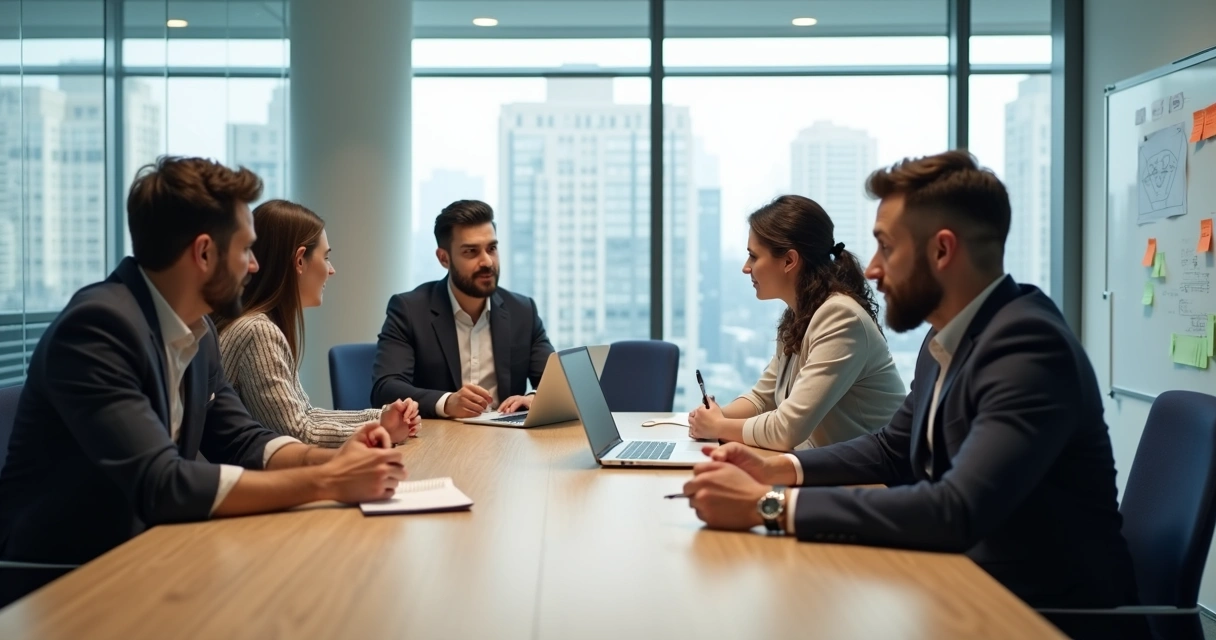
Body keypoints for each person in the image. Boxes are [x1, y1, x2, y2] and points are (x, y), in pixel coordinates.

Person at [681, 151, 1142, 637]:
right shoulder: (945, 338)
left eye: (886, 248)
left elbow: (955, 509)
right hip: (963, 586)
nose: (873, 269)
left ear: (942, 251)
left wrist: (768, 505)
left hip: (1036, 615)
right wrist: (780, 468)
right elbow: (890, 448)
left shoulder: (1028, 347)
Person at [0, 157, 407, 582]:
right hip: (63, 578)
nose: (254, 266)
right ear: (205, 252)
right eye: (247, 249)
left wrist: (331, 457)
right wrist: (326, 480)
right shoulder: (98, 329)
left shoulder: (199, 329)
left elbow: (242, 440)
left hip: (152, 552)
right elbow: (162, 483)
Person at [687, 196, 905, 450]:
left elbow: (787, 429)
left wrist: (718, 427)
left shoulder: (841, 317)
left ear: (789, 261)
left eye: (753, 257)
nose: (746, 268)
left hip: (875, 479)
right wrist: (716, 415)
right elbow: (762, 398)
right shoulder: (799, 315)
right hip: (834, 468)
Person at [214, 200, 422, 447]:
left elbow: (307, 415)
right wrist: (380, 430)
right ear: (300, 260)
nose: (331, 270)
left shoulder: (257, 323)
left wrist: (381, 416)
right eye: (326, 257)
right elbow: (297, 435)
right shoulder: (257, 331)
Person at [372, 200, 554, 419]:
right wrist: (447, 402)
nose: (487, 261)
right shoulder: (409, 310)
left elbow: (555, 382)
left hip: (507, 444)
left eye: (492, 248)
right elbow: (386, 388)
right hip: (439, 444)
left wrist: (534, 397)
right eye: (471, 251)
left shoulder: (522, 311)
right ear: (444, 258)